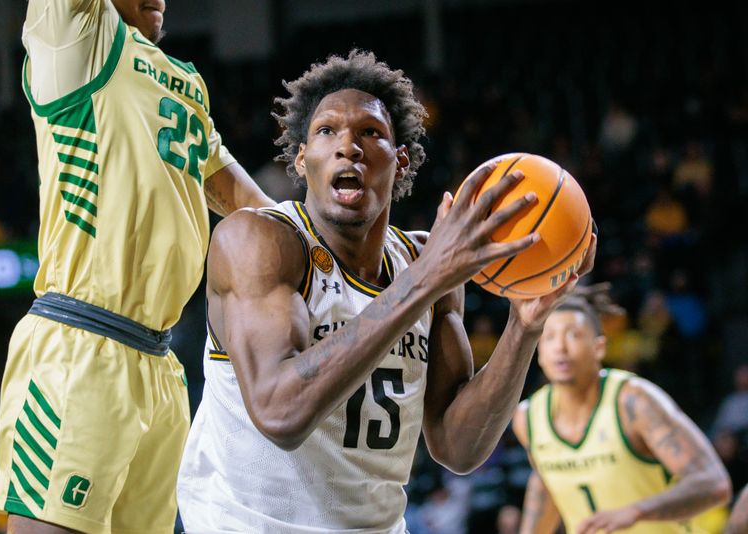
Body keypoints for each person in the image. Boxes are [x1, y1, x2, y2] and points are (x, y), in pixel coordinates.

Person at [177, 49, 596, 533]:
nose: (347, 146)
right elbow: (279, 410)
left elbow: (457, 449)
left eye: (370, 133)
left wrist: (523, 328)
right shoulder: (258, 241)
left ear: (399, 162)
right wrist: (424, 282)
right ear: (302, 159)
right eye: (326, 131)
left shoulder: (423, 263)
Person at [0, 1, 273, 533]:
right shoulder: (74, 34)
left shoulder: (184, 79)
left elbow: (233, 190)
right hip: (80, 347)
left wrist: (325, 252)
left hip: (161, 365)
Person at [512, 284, 732, 534]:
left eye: (573, 335)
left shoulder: (634, 401)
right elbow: (546, 485)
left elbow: (714, 484)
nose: (560, 347)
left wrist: (636, 511)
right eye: (549, 337)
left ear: (599, 348)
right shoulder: (528, 417)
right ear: (539, 352)